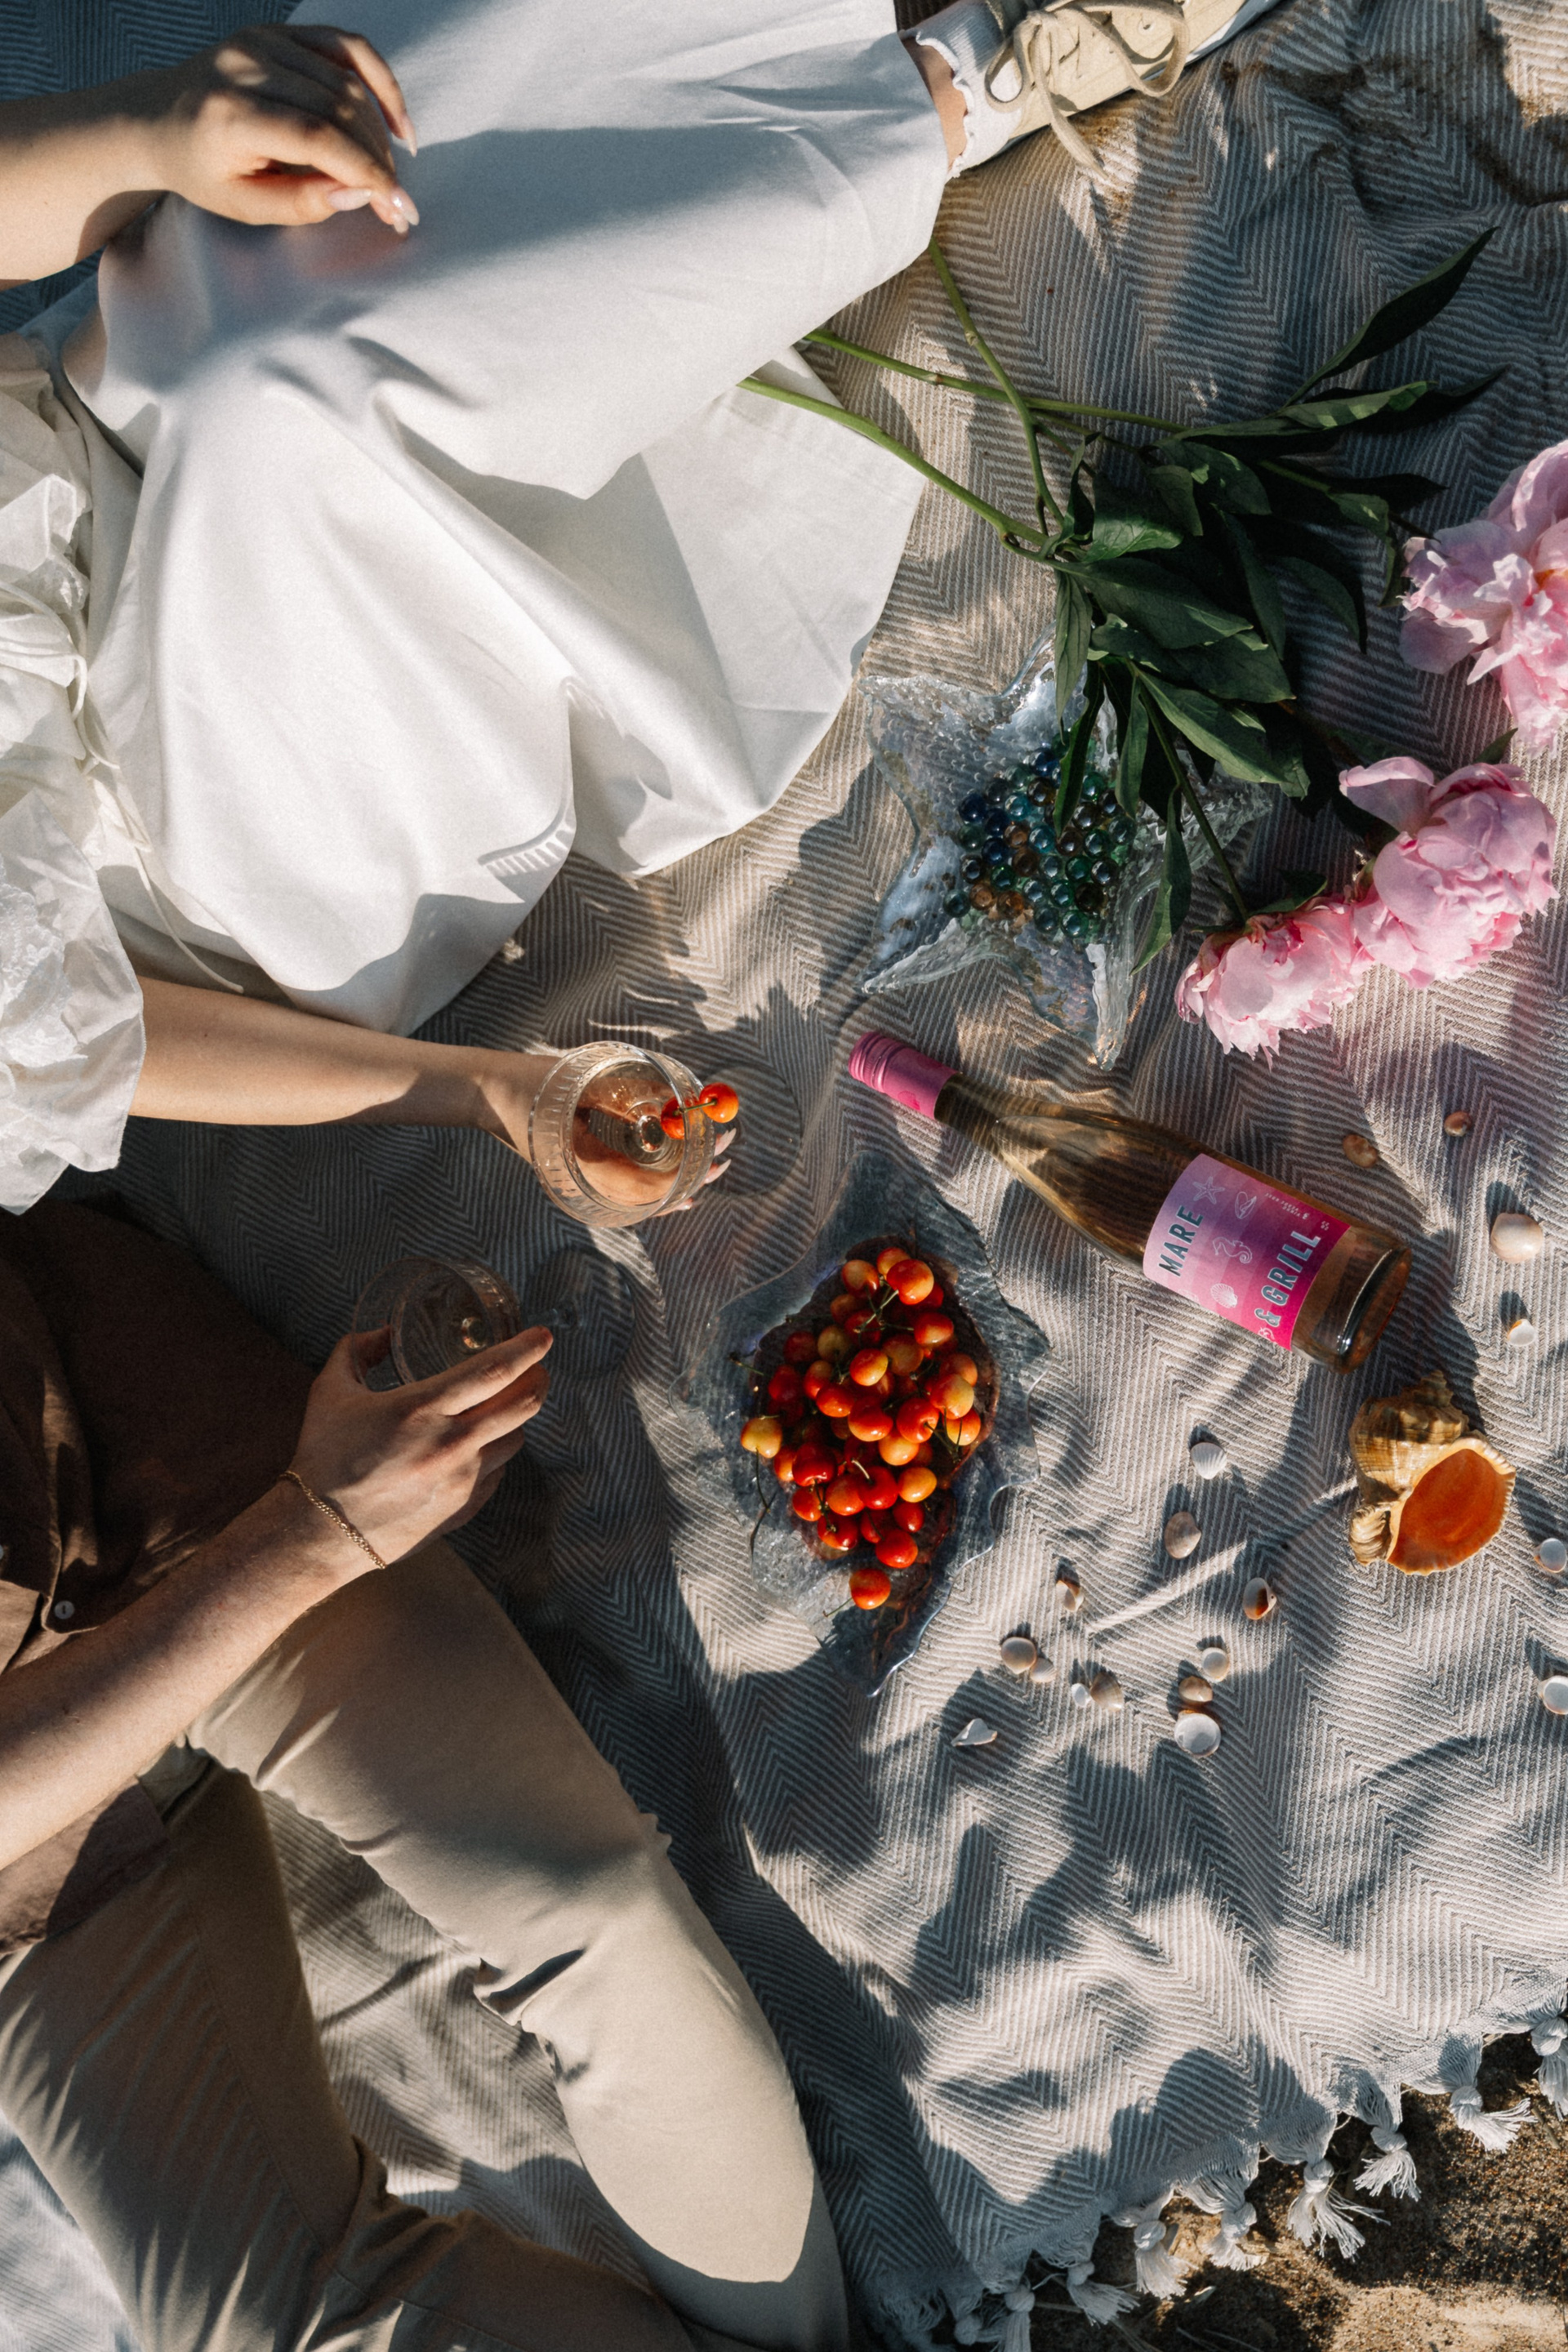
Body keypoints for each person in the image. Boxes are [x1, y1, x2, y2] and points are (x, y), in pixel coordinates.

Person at [0, 0, 1276, 1218]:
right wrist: (493, 1092)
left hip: (85, 420)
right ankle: (970, 85)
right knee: (271, 400)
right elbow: (96, 1047)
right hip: (200, 826)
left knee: (307, 187)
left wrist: (161, 129)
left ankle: (834, 53)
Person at [0, 1190, 853, 2352]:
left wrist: (312, 1524)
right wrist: (319, 1532)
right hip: (35, 1844)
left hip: (150, 1473)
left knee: (588, 1916)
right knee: (270, 2326)